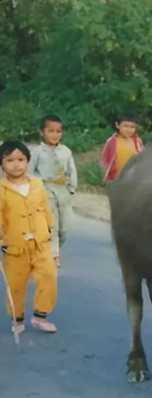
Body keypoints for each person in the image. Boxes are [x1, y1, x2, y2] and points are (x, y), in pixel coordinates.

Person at [0, 140, 59, 333]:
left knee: (48, 277)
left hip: (40, 243)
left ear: (27, 161)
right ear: (2, 164)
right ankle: (17, 319)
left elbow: (45, 210)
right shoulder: (1, 189)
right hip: (15, 248)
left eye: (21, 159)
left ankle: (40, 317)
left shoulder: (36, 184)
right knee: (15, 285)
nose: (16, 164)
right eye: (9, 160)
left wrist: (50, 231)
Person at [28, 115, 78, 266]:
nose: (55, 135)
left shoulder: (66, 151)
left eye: (58, 131)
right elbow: (29, 172)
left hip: (63, 192)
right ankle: (53, 256)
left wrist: (71, 189)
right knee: (52, 225)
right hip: (45, 191)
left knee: (64, 229)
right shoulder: (36, 152)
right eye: (51, 131)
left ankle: (49, 249)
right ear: (42, 132)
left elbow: (72, 171)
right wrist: (34, 190)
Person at [99, 114, 144, 183]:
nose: (129, 130)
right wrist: (106, 174)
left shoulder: (137, 141)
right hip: (116, 178)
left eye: (132, 127)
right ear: (117, 125)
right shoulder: (111, 142)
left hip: (133, 178)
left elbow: (142, 157)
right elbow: (104, 159)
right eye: (125, 126)